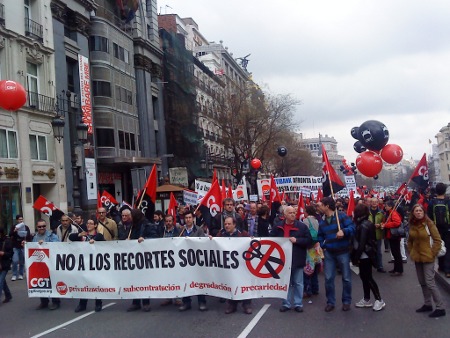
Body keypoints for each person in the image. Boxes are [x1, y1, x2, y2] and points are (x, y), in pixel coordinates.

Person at [317, 197, 355, 312]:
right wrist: (323, 245)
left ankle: (346, 301)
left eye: (320, 205)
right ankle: (330, 302)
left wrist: (344, 231)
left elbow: (353, 228)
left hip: (343, 251)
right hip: (329, 253)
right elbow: (320, 236)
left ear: (327, 206)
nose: (318, 207)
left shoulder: (341, 216)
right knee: (328, 278)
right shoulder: (322, 222)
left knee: (346, 278)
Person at [271, 206, 312, 313]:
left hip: (297, 258)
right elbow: (271, 239)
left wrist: (297, 240)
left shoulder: (302, 227)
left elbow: (309, 241)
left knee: (298, 282)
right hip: (283, 260)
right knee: (286, 283)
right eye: (290, 213)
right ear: (284, 215)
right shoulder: (278, 227)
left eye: (294, 212)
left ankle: (298, 303)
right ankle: (286, 303)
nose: (293, 214)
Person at [408, 203, 446, 318]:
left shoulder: (429, 224)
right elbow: (410, 240)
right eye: (416, 211)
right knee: (422, 282)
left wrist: (432, 253)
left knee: (430, 282)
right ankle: (427, 304)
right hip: (417, 257)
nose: (418, 212)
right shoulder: (412, 224)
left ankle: (440, 307)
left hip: (428, 257)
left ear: (424, 212)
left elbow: (437, 240)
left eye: (420, 211)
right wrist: (411, 251)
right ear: (413, 213)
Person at [352, 204, 385, 311]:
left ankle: (379, 300)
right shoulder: (367, 223)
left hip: (365, 255)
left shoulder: (362, 225)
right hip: (367, 253)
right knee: (364, 277)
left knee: (367, 278)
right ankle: (367, 299)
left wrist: (355, 258)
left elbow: (361, 244)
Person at [217, 216, 253, 314]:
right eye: (225, 224)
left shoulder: (243, 234)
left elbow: (250, 244)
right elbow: (215, 244)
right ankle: (232, 304)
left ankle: (246, 304)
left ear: (234, 224)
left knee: (244, 283)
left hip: (242, 265)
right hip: (228, 264)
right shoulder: (222, 234)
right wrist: (211, 239)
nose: (227, 226)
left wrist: (252, 239)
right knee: (231, 283)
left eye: (229, 224)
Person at [69, 217, 105, 312]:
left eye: (91, 223)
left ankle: (98, 303)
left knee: (96, 283)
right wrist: (80, 234)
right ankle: (82, 304)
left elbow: (102, 241)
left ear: (95, 225)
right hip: (84, 264)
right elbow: (71, 237)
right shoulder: (83, 235)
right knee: (84, 283)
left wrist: (94, 240)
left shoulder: (99, 236)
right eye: (87, 223)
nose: (88, 225)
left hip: (95, 264)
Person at [179, 210, 207, 311]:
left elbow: (203, 242)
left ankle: (202, 302)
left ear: (193, 219)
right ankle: (186, 302)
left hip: (196, 259)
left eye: (190, 217)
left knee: (199, 280)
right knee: (185, 281)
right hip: (184, 260)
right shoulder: (181, 230)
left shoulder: (199, 230)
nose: (188, 220)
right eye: (186, 218)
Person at [32, 219, 61, 310]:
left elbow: (58, 246)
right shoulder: (35, 237)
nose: (42, 228)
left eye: (44, 226)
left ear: (46, 226)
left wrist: (45, 244)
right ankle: (44, 301)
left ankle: (56, 301)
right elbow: (32, 248)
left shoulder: (52, 236)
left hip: (51, 264)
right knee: (41, 283)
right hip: (40, 264)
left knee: (52, 282)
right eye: (40, 226)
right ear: (37, 227)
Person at [426, 183, 450, 277]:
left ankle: (441, 266)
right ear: (444, 191)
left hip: (436, 228)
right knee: (448, 247)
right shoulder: (448, 201)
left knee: (439, 245)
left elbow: (429, 216)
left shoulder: (432, 202)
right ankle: (448, 270)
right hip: (447, 228)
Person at [159, 214, 181, 307]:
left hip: (175, 257)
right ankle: (168, 297)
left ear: (173, 221)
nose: (168, 223)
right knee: (166, 278)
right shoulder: (161, 231)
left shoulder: (178, 231)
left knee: (176, 277)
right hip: (164, 257)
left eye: (170, 221)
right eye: (167, 221)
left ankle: (178, 297)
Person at [381, 200, 403, 276]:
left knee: (396, 253)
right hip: (391, 235)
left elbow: (397, 222)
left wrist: (386, 225)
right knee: (394, 252)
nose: (385, 207)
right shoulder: (389, 213)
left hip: (394, 236)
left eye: (386, 206)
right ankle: (396, 269)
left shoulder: (393, 213)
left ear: (390, 206)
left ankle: (399, 270)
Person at [303, 205, 320, 298]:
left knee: (308, 270)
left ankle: (308, 290)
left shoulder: (305, 221)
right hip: (316, 246)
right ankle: (315, 288)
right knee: (315, 269)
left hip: (309, 247)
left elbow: (304, 233)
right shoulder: (316, 220)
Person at [9, 214, 32, 281]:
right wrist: (14, 230)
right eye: (19, 219)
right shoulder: (14, 227)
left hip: (22, 246)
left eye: (21, 219)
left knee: (22, 261)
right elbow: (10, 234)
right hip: (15, 246)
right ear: (17, 220)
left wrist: (26, 240)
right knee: (15, 260)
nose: (21, 220)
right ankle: (14, 274)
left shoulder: (26, 227)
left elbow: (28, 236)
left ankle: (21, 274)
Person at [0, 228, 13, 304]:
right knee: (2, 281)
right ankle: (8, 295)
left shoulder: (7, 241)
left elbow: (11, 253)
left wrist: (4, 253)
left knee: (0, 281)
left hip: (5, 264)